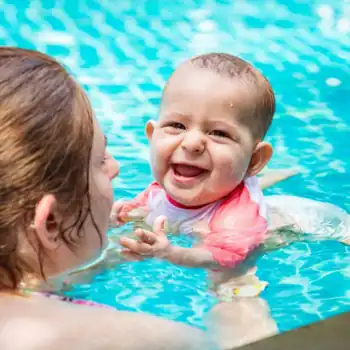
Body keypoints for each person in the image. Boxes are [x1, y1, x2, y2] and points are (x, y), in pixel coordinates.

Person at [109, 53, 349, 348]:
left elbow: (221, 256)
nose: (192, 143)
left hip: (303, 224)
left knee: (233, 290)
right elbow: (150, 200)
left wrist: (171, 254)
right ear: (152, 134)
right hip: (215, 215)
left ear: (254, 159)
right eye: (177, 126)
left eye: (219, 133)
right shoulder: (168, 181)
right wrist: (125, 213)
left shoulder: (235, 218)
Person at [0, 47, 219, 350]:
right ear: (50, 222)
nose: (116, 167)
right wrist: (233, 279)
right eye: (101, 159)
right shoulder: (146, 339)